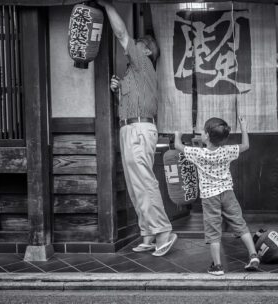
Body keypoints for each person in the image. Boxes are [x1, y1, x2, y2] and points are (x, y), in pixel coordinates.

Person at [98, 0, 177, 256]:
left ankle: (164, 230)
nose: (130, 48)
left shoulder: (143, 64)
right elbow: (127, 106)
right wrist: (117, 90)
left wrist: (107, 5)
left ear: (145, 51)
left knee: (144, 182)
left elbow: (121, 34)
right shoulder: (133, 74)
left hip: (139, 129)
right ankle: (148, 233)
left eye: (138, 45)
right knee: (135, 185)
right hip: (130, 128)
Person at [174, 117, 260, 275]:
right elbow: (246, 145)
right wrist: (244, 127)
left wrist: (178, 134)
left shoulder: (198, 153)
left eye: (202, 130)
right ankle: (253, 255)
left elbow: (177, 146)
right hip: (227, 193)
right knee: (240, 224)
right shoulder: (227, 150)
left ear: (206, 136)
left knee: (213, 232)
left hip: (209, 197)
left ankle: (218, 266)